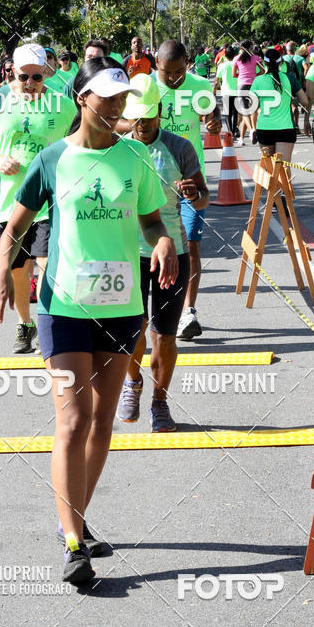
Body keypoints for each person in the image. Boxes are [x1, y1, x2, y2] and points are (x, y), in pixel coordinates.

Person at [0, 57, 177, 584]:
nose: (117, 106)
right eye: (107, 97)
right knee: (71, 419)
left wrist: (162, 239)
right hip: (63, 305)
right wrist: (3, 269)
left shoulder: (135, 157)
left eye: (122, 98)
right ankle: (72, 543)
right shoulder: (52, 161)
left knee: (100, 421)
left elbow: (153, 217)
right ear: (82, 100)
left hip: (121, 307)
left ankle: (79, 518)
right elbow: (14, 227)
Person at [0, 43, 76, 352]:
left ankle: (44, 323)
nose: (30, 84)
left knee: (44, 263)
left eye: (37, 78)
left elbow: (85, 134)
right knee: (17, 269)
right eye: (23, 77)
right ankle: (24, 324)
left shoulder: (61, 103)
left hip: (50, 201)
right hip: (10, 202)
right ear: (11, 71)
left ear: (46, 73)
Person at [116, 74, 208, 432]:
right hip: (129, 253)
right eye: (135, 117)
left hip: (173, 254)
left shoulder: (180, 147)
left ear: (160, 111)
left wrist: (194, 195)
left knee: (164, 335)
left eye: (148, 117)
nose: (141, 124)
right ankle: (132, 383)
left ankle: (160, 401)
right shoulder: (118, 147)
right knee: (131, 332)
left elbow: (203, 196)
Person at [152, 39, 221, 340]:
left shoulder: (199, 86)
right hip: (154, 180)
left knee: (191, 245)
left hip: (192, 178)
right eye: (168, 73)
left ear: (188, 63)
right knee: (156, 244)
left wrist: (213, 124)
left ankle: (188, 312)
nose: (174, 79)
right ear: (157, 65)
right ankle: (153, 312)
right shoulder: (146, 88)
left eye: (180, 72)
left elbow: (210, 117)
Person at [250, 48, 309, 163]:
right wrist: (290, 100)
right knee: (284, 169)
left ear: (264, 62)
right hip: (285, 128)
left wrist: (253, 127)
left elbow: (252, 107)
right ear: (281, 62)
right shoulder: (289, 77)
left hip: (264, 128)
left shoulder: (257, 81)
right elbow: (305, 102)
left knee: (269, 169)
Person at [232, 40, 264, 145]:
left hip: (241, 85)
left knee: (244, 111)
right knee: (253, 110)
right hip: (253, 85)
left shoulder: (236, 59)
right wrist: (255, 74)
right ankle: (251, 131)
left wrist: (241, 76)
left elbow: (233, 74)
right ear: (250, 47)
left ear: (241, 48)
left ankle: (251, 131)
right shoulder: (255, 58)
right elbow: (263, 70)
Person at [213, 44, 238, 133]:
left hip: (226, 92)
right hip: (237, 92)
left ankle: (230, 131)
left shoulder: (222, 66)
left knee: (228, 113)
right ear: (234, 55)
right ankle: (234, 131)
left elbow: (217, 80)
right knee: (235, 113)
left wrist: (214, 90)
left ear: (225, 55)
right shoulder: (237, 65)